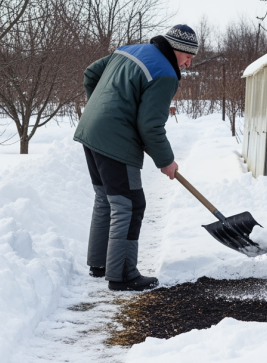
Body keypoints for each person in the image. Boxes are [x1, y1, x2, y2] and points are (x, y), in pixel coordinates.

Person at [73, 25, 198, 291]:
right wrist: (166, 160)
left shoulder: (128, 51)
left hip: (91, 130)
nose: (188, 63)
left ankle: (101, 264)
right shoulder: (165, 73)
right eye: (188, 56)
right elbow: (150, 125)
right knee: (129, 205)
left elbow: (91, 73)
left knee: (107, 198)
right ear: (176, 49)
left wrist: (100, 108)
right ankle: (122, 275)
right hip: (115, 139)